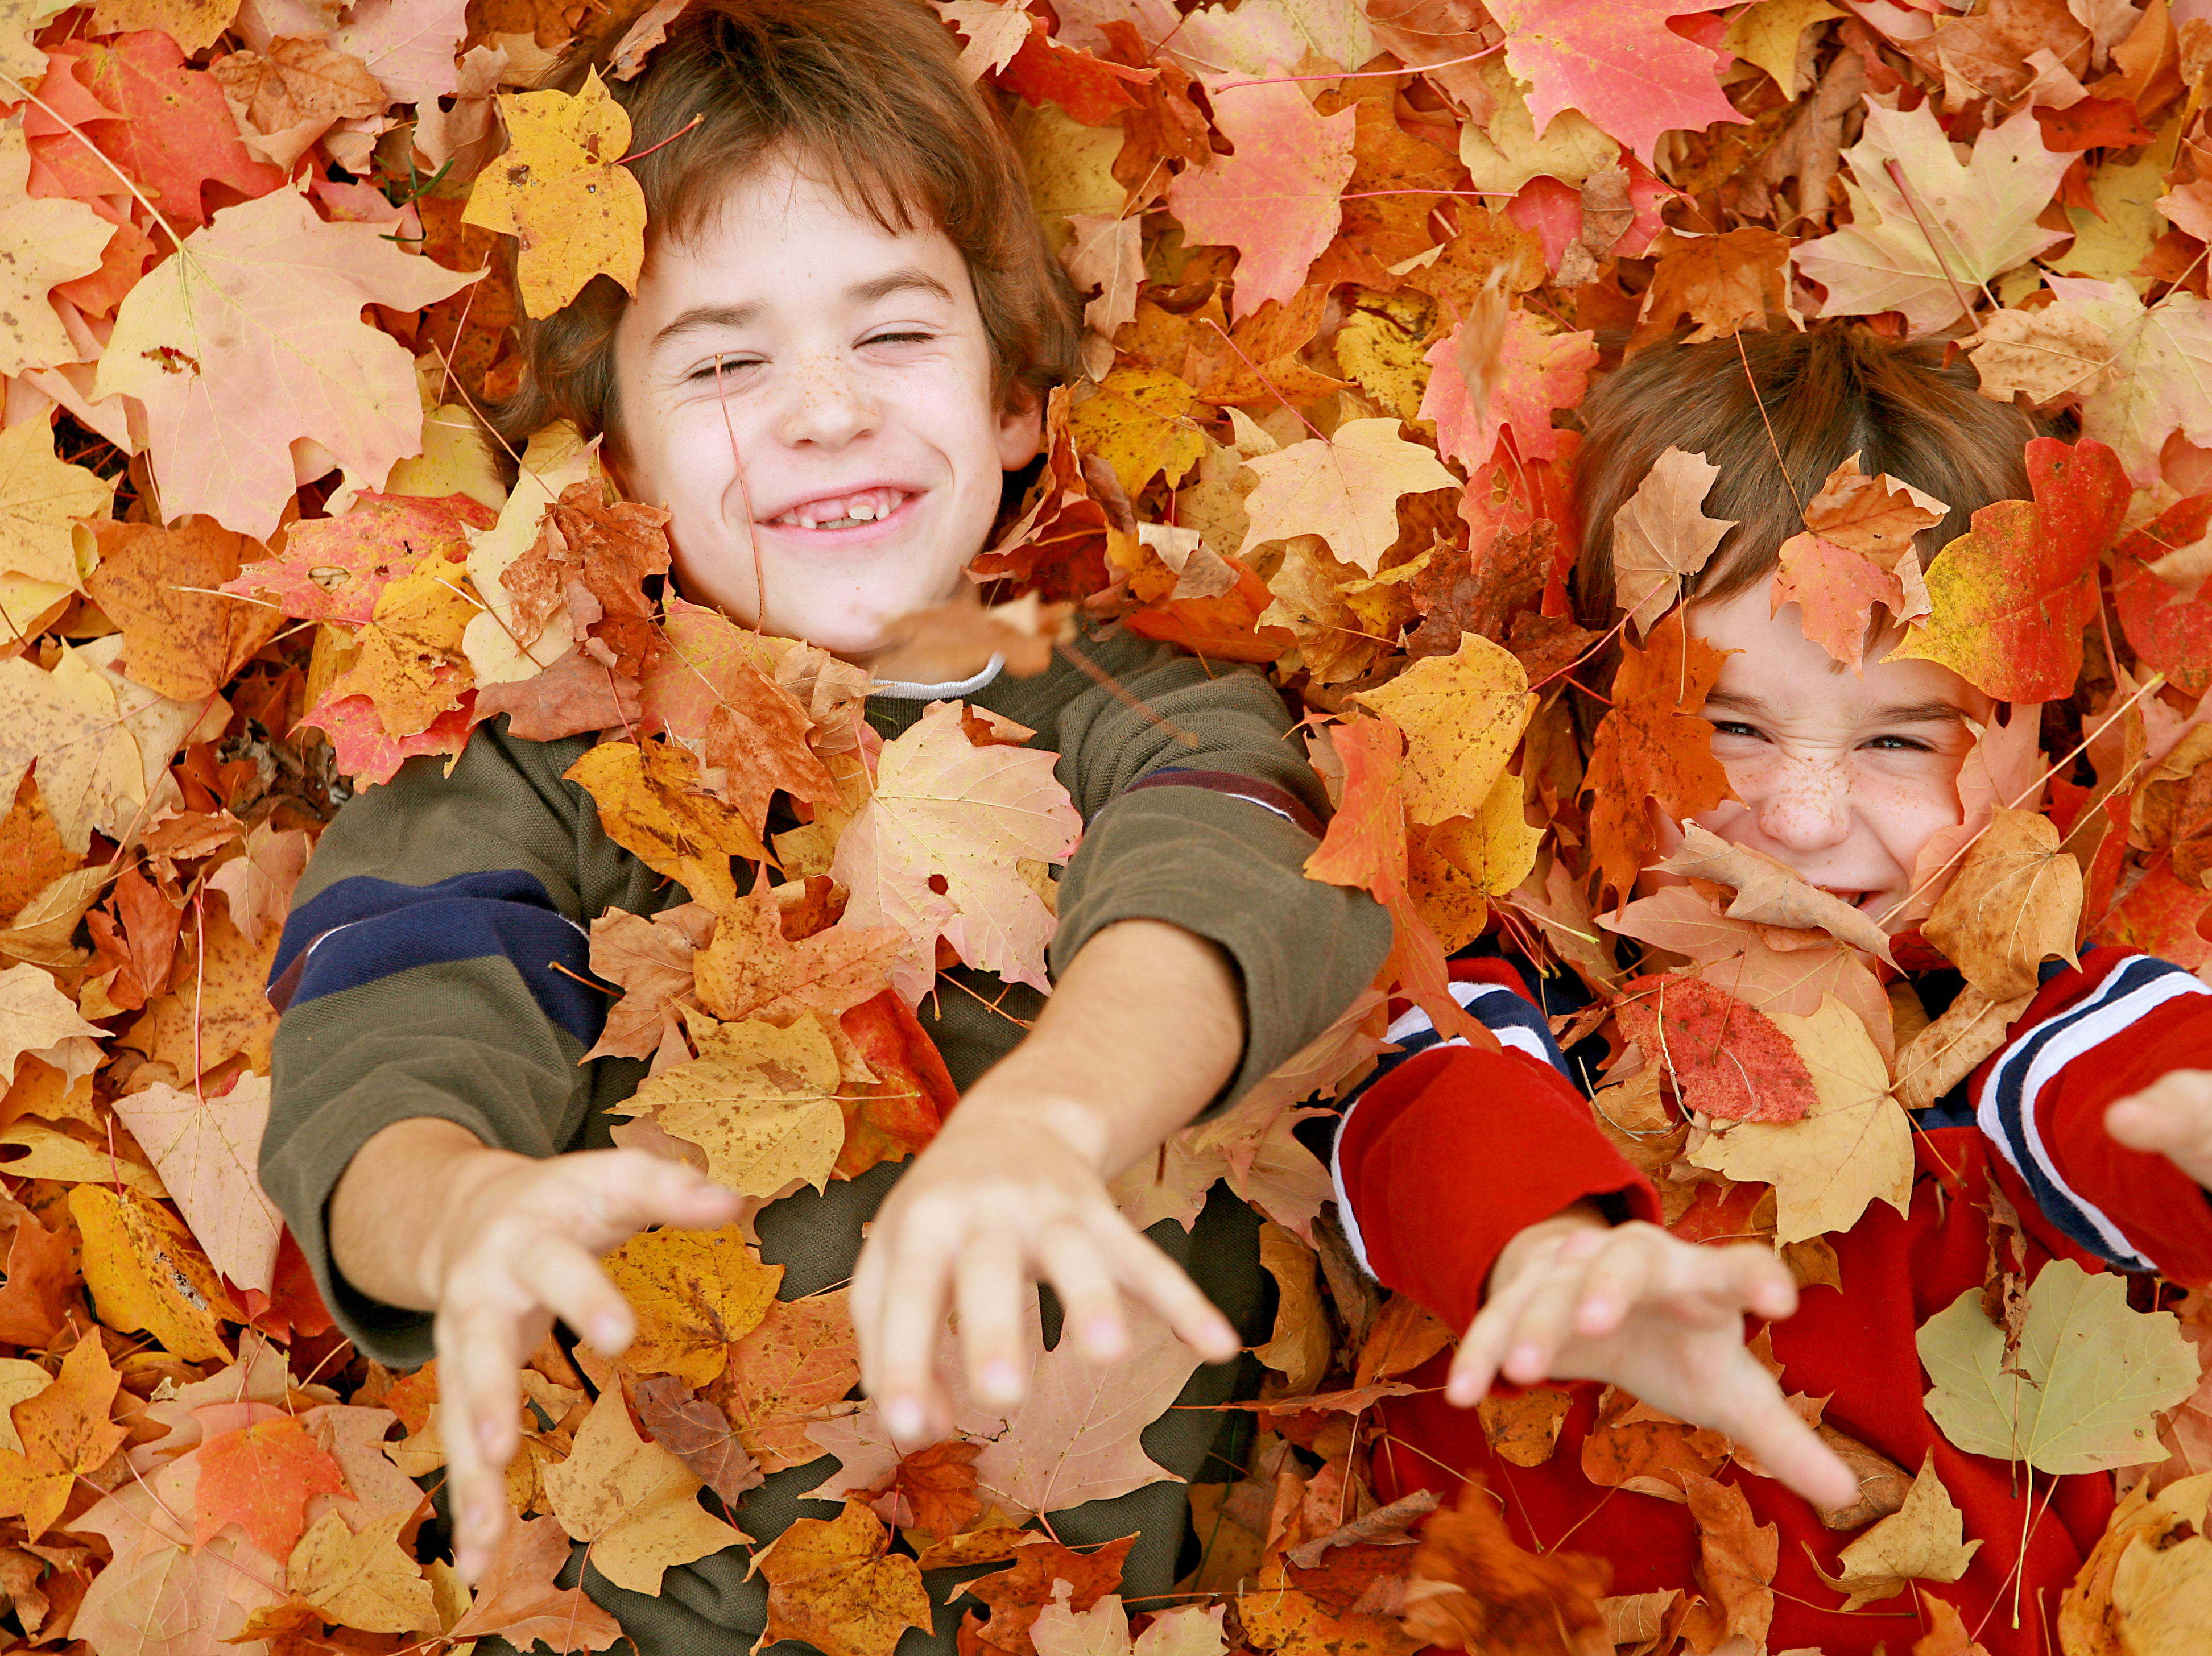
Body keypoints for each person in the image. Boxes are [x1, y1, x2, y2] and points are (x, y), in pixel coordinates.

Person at [254, 1, 1391, 1649]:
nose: (825, 409)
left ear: (1014, 405)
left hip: (1144, 1612)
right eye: (724, 361)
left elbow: (1235, 862)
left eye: (894, 334)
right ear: (622, 461)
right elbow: (393, 1042)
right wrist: (459, 1211)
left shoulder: (1118, 686)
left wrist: (1055, 1114)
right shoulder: (528, 774)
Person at [1324, 328, 2212, 1654]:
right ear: (1598, 720)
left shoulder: (2007, 1050)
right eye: (1730, 727)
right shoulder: (1514, 995)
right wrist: (1545, 1237)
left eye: (1895, 740)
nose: (1806, 822)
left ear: (2037, 754)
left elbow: (2127, 1084)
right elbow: (1429, 1109)